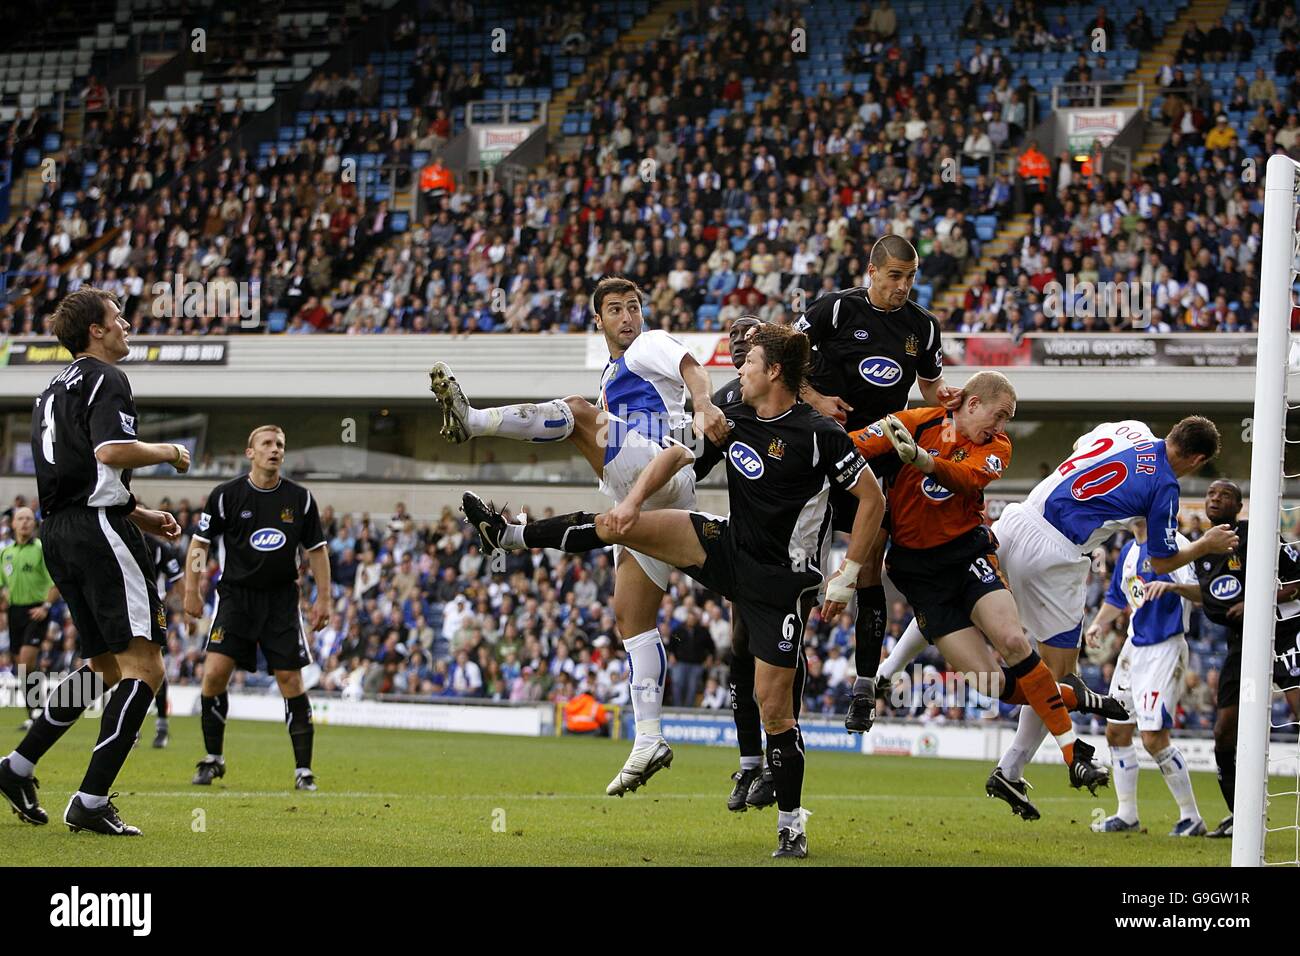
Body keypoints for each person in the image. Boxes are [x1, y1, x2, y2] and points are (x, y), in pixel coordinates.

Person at [463, 324, 886, 859]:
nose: (740, 369)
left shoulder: (819, 434)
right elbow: (675, 456)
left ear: (774, 371)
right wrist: (633, 501)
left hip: (780, 582)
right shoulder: (732, 415)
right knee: (620, 525)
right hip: (727, 546)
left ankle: (790, 824)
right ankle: (510, 535)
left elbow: (872, 501)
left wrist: (847, 577)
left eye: (749, 362)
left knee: (774, 708)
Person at [430, 275, 728, 796]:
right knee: (631, 621)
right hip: (649, 489)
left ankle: (472, 421)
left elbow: (692, 368)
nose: (628, 317)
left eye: (633, 306)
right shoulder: (614, 374)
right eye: (616, 310)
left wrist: (702, 405)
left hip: (662, 468)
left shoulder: (649, 345)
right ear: (598, 320)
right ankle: (650, 738)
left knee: (576, 414)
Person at [877, 416, 1235, 819]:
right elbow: (1162, 559)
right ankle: (1011, 768)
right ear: (1197, 458)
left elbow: (1084, 443)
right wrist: (1204, 544)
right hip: (1054, 555)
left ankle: (887, 670)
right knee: (1056, 672)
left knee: (955, 599)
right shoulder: (1165, 485)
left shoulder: (1129, 428)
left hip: (1019, 517)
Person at [851, 372, 1124, 797]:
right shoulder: (914, 421)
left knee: (1015, 641)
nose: (1002, 428)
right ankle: (1080, 699)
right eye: (998, 416)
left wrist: (922, 461)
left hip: (967, 554)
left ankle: (1073, 754)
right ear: (971, 403)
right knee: (989, 683)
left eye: (1008, 421)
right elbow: (848, 450)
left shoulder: (996, 446)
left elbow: (967, 480)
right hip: (920, 575)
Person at [0, 287, 190, 835]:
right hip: (97, 531)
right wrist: (170, 452)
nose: (127, 324)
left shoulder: (48, 392)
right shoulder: (108, 378)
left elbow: (82, 474)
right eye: (117, 318)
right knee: (147, 668)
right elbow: (110, 454)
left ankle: (18, 766)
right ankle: (90, 799)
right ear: (96, 331)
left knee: (106, 668)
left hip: (59, 530)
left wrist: (140, 512)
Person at [792, 235, 962, 733]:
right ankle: (787, 674)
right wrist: (816, 399)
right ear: (871, 271)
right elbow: (783, 356)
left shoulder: (923, 327)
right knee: (805, 570)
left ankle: (865, 686)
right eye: (894, 277)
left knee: (869, 573)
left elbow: (928, 387)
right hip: (824, 452)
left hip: (882, 456)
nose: (903, 287)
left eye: (910, 278)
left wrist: (941, 396)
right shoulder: (835, 311)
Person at [184, 425, 332, 791]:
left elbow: (316, 551)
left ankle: (303, 770)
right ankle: (213, 758)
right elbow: (200, 546)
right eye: (266, 444)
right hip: (236, 598)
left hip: (281, 601)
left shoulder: (301, 499)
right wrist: (192, 588)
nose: (274, 449)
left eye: (280, 444)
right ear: (250, 452)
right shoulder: (225, 496)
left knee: (290, 681)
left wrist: (324, 599)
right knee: (214, 674)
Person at [1190, 479, 1300, 839]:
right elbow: (1215, 605)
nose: (1214, 499)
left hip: (1284, 632)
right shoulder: (1202, 551)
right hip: (1242, 643)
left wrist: (1256, 602)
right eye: (1209, 494)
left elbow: (1297, 582)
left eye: (1224, 495)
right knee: (1223, 732)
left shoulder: (1261, 534)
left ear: (1239, 507)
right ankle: (1241, 816)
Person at [1088, 518, 1206, 836]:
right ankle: (1126, 814)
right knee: (1116, 731)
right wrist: (1098, 623)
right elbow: (1117, 598)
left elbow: (1201, 594)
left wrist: (1173, 586)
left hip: (1166, 647)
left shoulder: (1176, 545)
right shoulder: (1128, 549)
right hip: (1133, 648)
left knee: (1153, 738)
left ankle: (1191, 817)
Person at [701, 315, 776, 812]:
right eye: (731, 343)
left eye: (746, 344)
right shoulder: (727, 400)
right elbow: (698, 460)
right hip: (746, 540)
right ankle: (750, 763)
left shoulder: (795, 398)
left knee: (779, 655)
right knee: (741, 647)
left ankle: (778, 760)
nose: (736, 350)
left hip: (794, 547)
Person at [0, 506, 59, 730]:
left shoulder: (41, 550)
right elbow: (2, 586)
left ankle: (38, 711)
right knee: (21, 666)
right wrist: (3, 611)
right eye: (20, 519)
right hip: (15, 612)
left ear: (34, 524)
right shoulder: (6, 553)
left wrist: (46, 606)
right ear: (12, 524)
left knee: (25, 662)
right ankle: (35, 713)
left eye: (28, 519)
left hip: (36, 610)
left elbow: (55, 582)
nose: (24, 522)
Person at [144, 532, 183, 748]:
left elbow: (177, 578)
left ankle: (162, 725)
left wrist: (186, 609)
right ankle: (132, 727)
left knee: (154, 667)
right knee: (129, 668)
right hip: (124, 609)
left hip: (153, 609)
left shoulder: (158, 547)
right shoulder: (116, 540)